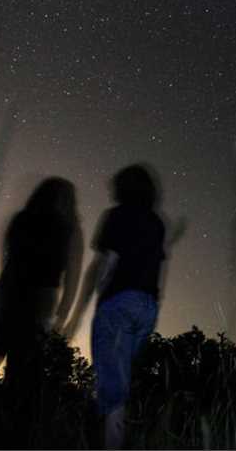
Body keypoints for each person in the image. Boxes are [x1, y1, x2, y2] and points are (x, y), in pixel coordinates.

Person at [63, 163, 172, 449]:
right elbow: (161, 267)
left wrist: (82, 308)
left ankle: (111, 443)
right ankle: (119, 434)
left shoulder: (116, 216)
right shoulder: (157, 221)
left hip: (118, 303)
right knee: (121, 378)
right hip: (147, 306)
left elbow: (103, 264)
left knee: (113, 389)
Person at [0, 177, 83, 384]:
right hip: (39, 303)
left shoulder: (21, 220)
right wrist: (62, 317)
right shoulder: (69, 230)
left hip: (4, 296)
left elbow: (6, 262)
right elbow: (72, 278)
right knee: (20, 376)